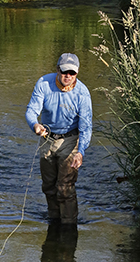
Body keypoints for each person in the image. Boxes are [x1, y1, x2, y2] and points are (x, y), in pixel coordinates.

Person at [25, 53, 92, 224]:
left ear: (77, 73)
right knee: (48, 186)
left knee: (64, 188)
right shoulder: (44, 84)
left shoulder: (82, 93)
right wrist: (35, 125)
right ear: (57, 70)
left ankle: (69, 227)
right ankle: (54, 222)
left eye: (72, 73)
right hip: (47, 138)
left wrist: (81, 152)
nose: (68, 76)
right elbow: (31, 110)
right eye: (64, 71)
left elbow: (86, 127)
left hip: (71, 140)